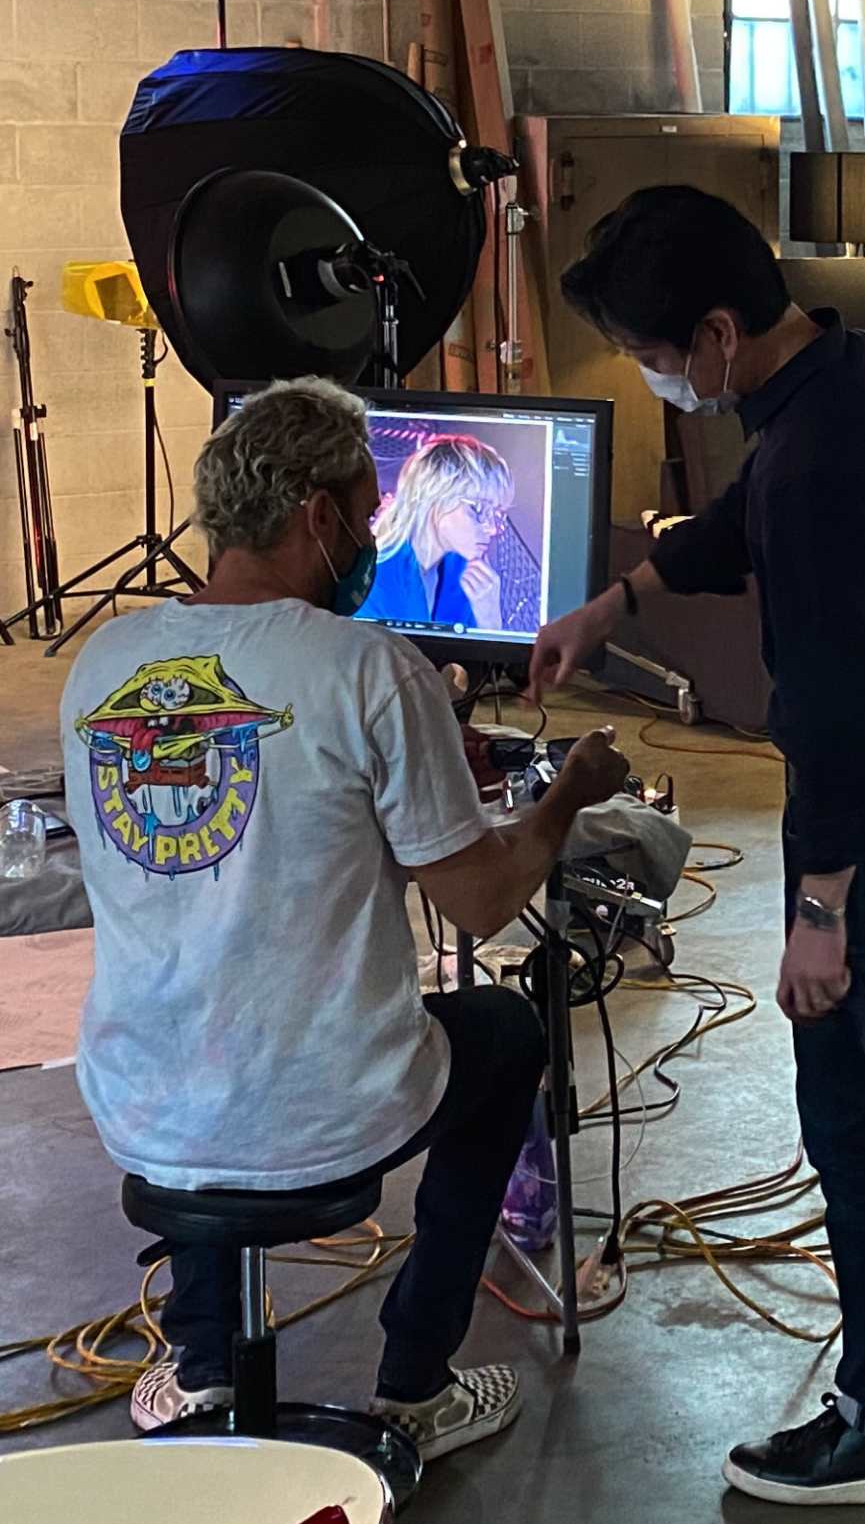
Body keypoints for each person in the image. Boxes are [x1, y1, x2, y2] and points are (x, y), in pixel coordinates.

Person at [532, 186, 865, 1508]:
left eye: (651, 353)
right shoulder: (857, 369)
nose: (653, 376)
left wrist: (819, 913)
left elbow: (838, 713)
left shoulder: (812, 465)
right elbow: (741, 518)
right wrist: (620, 599)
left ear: (713, 332)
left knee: (856, 1104)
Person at [64, 378, 627, 1463]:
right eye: (367, 514)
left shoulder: (101, 664)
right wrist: (565, 798)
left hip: (140, 1103)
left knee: (207, 1027)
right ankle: (414, 1383)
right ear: (318, 515)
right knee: (503, 1032)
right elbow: (480, 902)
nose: (370, 538)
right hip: (324, 1111)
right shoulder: (370, 668)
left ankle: (202, 1362)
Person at [362, 427, 517, 633]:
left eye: (496, 514)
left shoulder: (467, 578)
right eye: (478, 509)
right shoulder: (372, 576)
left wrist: (490, 619)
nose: (492, 529)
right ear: (436, 496)